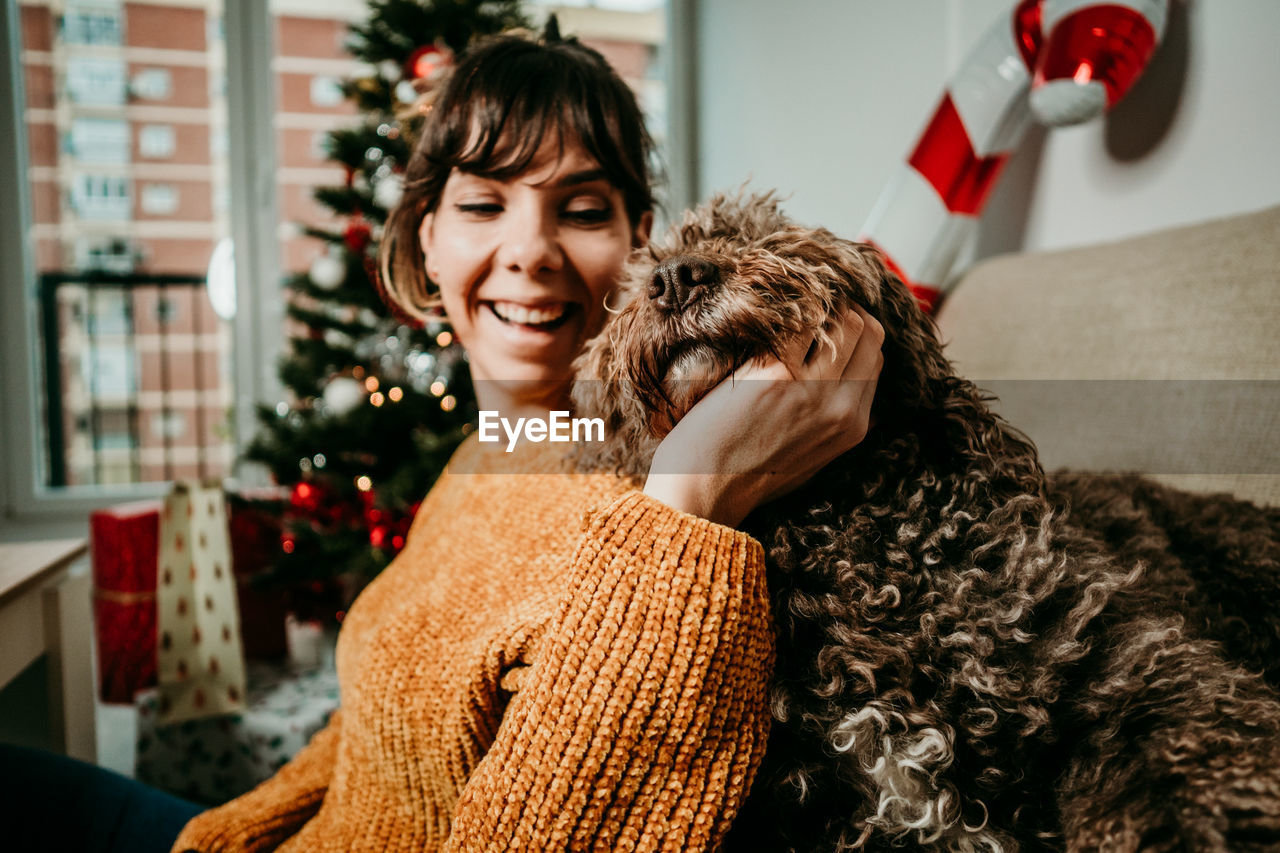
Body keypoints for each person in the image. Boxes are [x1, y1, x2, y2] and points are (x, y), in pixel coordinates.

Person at [4, 24, 884, 853]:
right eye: (482, 202)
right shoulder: (490, 448)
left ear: (638, 245)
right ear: (428, 239)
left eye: (581, 210)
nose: (530, 248)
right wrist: (226, 835)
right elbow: (366, 735)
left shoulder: (671, 516)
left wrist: (692, 496)